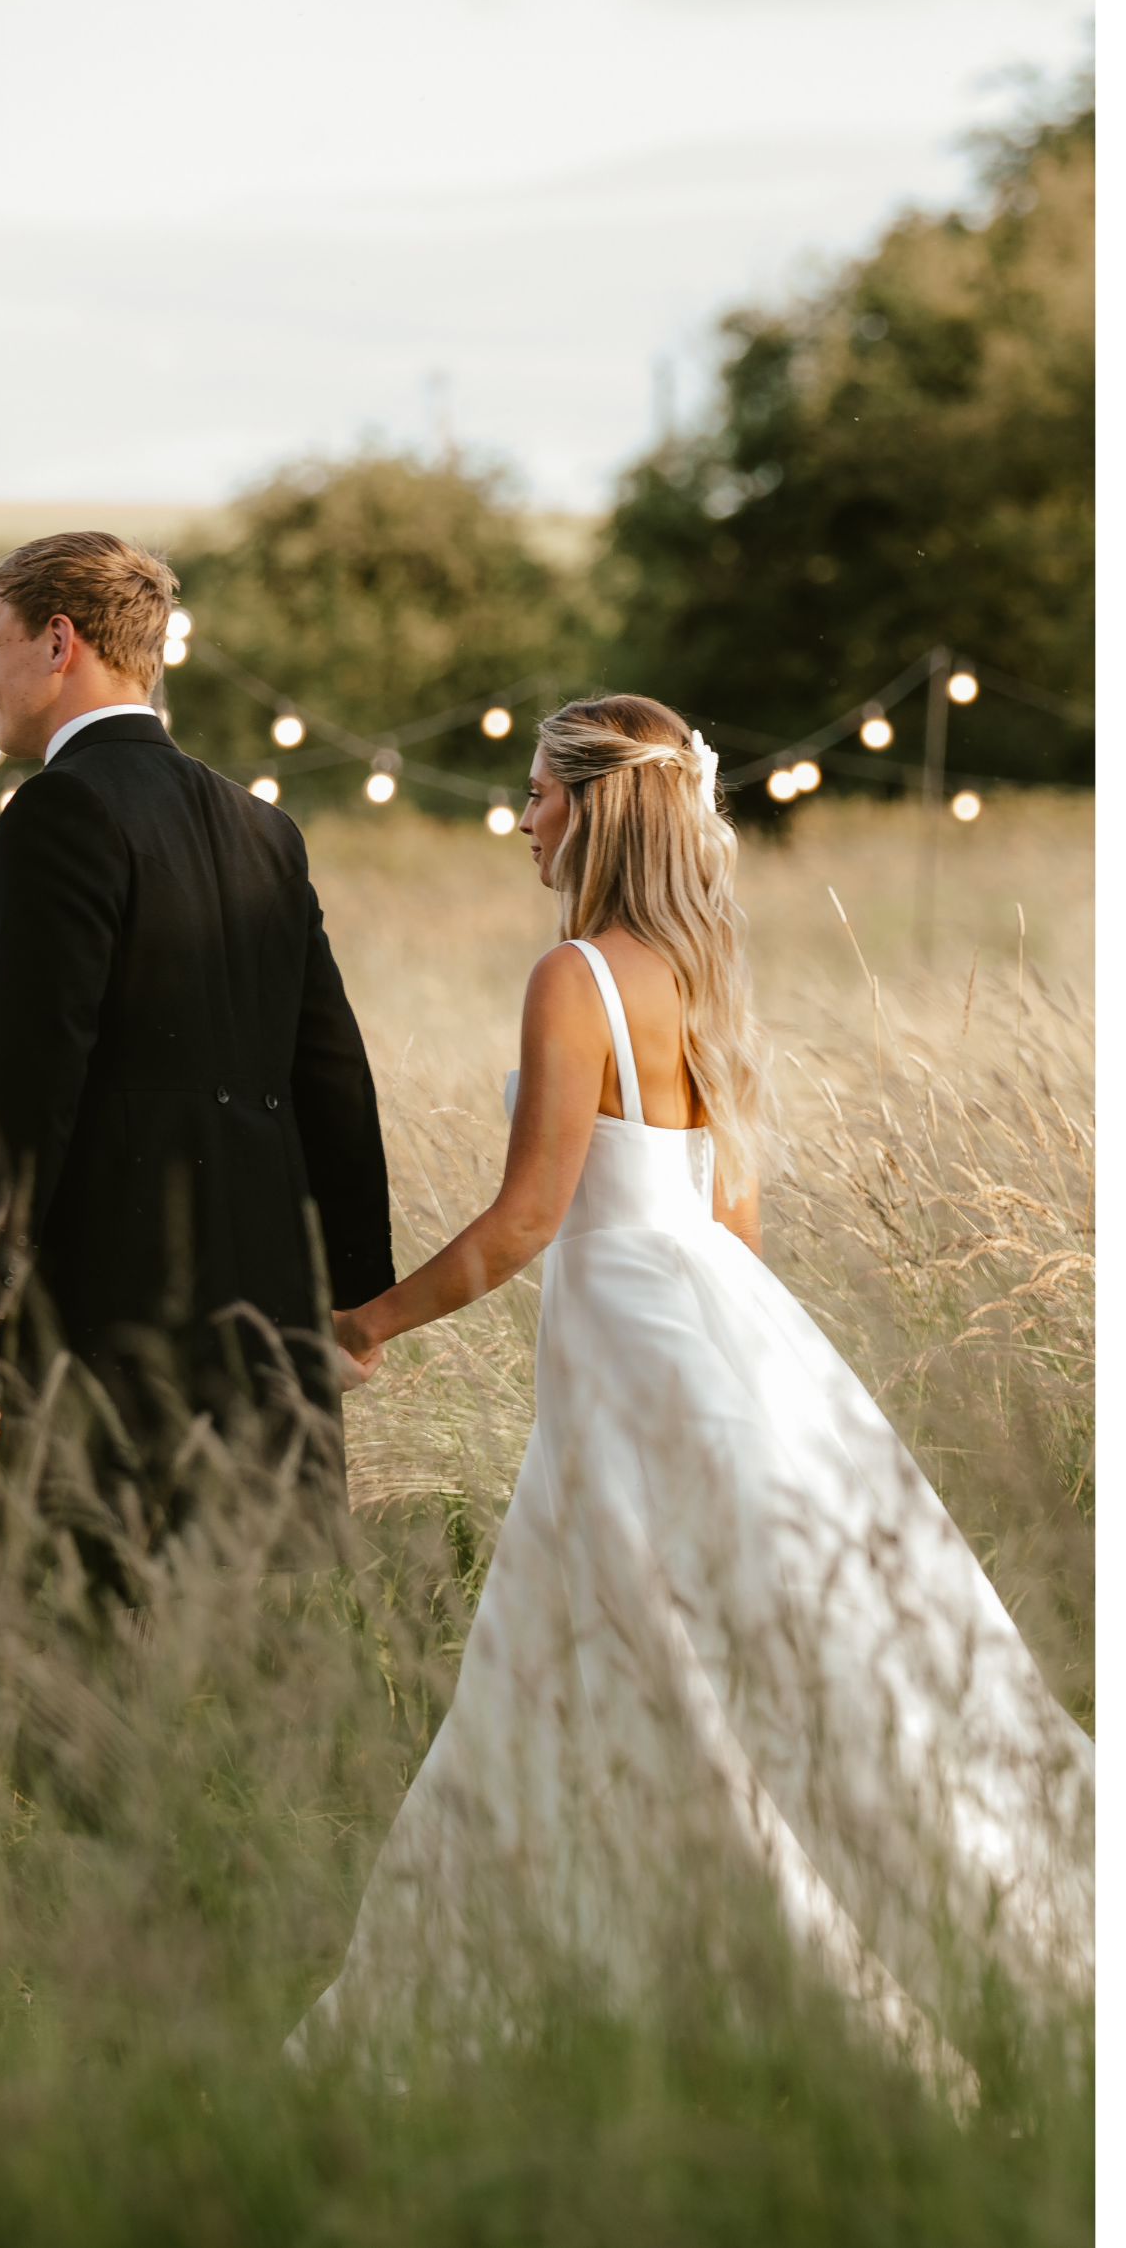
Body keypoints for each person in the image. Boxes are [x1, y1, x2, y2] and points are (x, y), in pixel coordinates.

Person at [295, 694, 1093, 2071]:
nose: (523, 816)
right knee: (769, 1646)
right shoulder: (698, 968)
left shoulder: (574, 977)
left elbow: (527, 1214)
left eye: (539, 791)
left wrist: (366, 1320)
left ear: (597, 805)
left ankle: (624, 1973)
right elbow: (737, 1220)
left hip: (625, 1341)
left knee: (610, 1643)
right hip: (716, 1334)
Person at [0, 530, 394, 1630]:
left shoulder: (59, 817)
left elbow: (27, 1077)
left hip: (99, 1290)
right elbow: (332, 1072)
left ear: (59, 642)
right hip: (255, 1298)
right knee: (216, 1635)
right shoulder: (266, 826)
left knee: (9, 1627)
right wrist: (353, 1298)